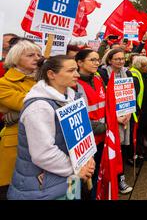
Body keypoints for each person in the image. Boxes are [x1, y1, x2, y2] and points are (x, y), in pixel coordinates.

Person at [7, 55, 95, 200]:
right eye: (71, 71)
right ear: (51, 74)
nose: (77, 75)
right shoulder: (39, 107)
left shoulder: (72, 99)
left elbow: (82, 137)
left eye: (76, 70)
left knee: (72, 197)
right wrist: (77, 168)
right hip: (43, 188)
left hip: (69, 179)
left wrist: (87, 158)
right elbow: (43, 153)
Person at [0, 40, 41, 199]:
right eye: (30, 55)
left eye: (38, 54)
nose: (37, 58)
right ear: (16, 59)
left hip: (41, 143)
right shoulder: (4, 84)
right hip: (16, 144)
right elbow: (32, 105)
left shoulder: (42, 80)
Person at [97, 49, 136, 194]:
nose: (120, 61)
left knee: (123, 149)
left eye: (122, 58)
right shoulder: (103, 75)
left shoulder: (128, 73)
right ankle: (114, 180)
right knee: (114, 149)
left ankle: (121, 179)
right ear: (109, 60)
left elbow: (130, 95)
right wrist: (114, 117)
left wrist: (129, 113)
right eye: (117, 59)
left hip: (126, 117)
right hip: (112, 119)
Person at [74, 49, 106, 200]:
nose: (96, 63)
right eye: (92, 60)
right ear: (79, 62)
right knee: (78, 182)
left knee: (94, 176)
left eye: (97, 59)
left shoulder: (98, 79)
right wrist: (106, 127)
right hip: (84, 143)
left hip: (100, 139)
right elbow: (77, 118)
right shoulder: (74, 85)